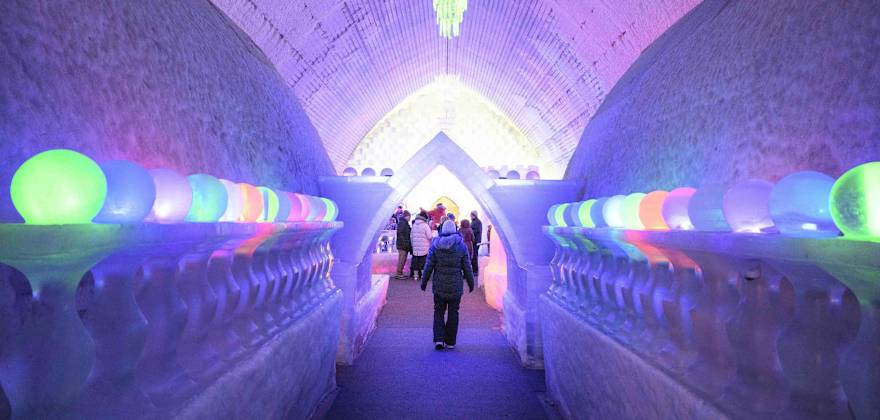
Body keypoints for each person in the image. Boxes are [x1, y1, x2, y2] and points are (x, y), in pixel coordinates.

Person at [421, 220, 475, 350]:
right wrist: (471, 282)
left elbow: (429, 265)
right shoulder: (461, 246)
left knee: (438, 311)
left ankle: (439, 339)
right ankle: (450, 341)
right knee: (453, 312)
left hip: (439, 285)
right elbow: (467, 266)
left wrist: (424, 281)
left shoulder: (435, 245)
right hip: (455, 285)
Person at [410, 211, 432, 281]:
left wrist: (413, 244)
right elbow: (429, 236)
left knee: (415, 262)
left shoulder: (414, 225)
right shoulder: (425, 225)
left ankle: (415, 276)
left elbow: (411, 236)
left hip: (415, 247)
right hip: (424, 247)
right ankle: (423, 276)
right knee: (423, 262)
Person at [395, 211, 412, 278]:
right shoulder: (403, 223)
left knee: (402, 259)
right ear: (406, 216)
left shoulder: (403, 222)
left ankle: (400, 272)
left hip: (402, 244)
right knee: (402, 259)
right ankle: (399, 273)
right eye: (409, 217)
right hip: (402, 244)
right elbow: (400, 233)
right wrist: (405, 242)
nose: (410, 218)